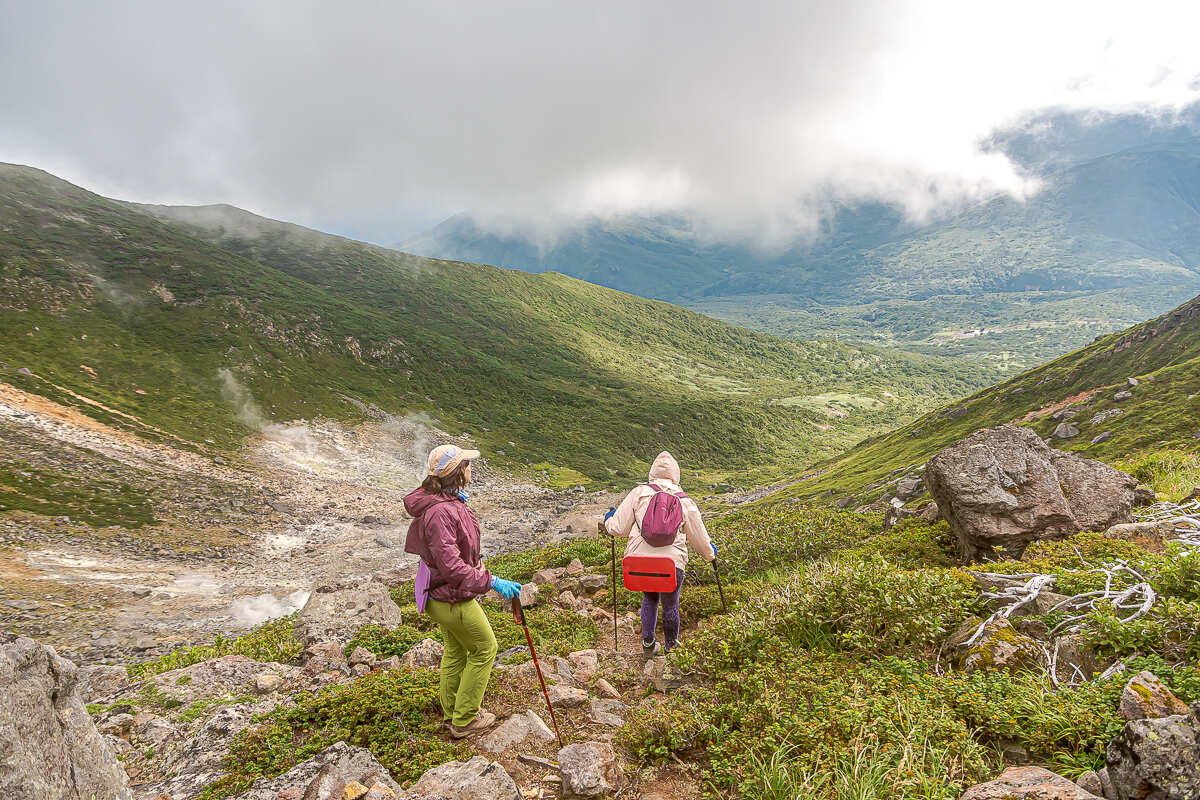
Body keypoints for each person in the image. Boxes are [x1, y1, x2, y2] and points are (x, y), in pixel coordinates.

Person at [403, 444, 522, 738]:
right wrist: (492, 582)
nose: (471, 469)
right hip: (449, 597)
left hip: (439, 594)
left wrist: (479, 567)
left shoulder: (447, 501)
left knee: (456, 650)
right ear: (458, 472)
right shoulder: (441, 512)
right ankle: (465, 719)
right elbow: (452, 568)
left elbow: (457, 554)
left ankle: (453, 710)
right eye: (467, 464)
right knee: (485, 648)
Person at [603, 450, 716, 657]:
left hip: (640, 563)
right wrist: (710, 554)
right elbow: (700, 539)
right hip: (671, 564)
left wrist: (609, 518)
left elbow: (617, 528)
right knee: (671, 605)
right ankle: (672, 648)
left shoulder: (639, 492)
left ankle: (648, 644)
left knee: (650, 598)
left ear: (652, 473)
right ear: (676, 475)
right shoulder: (685, 501)